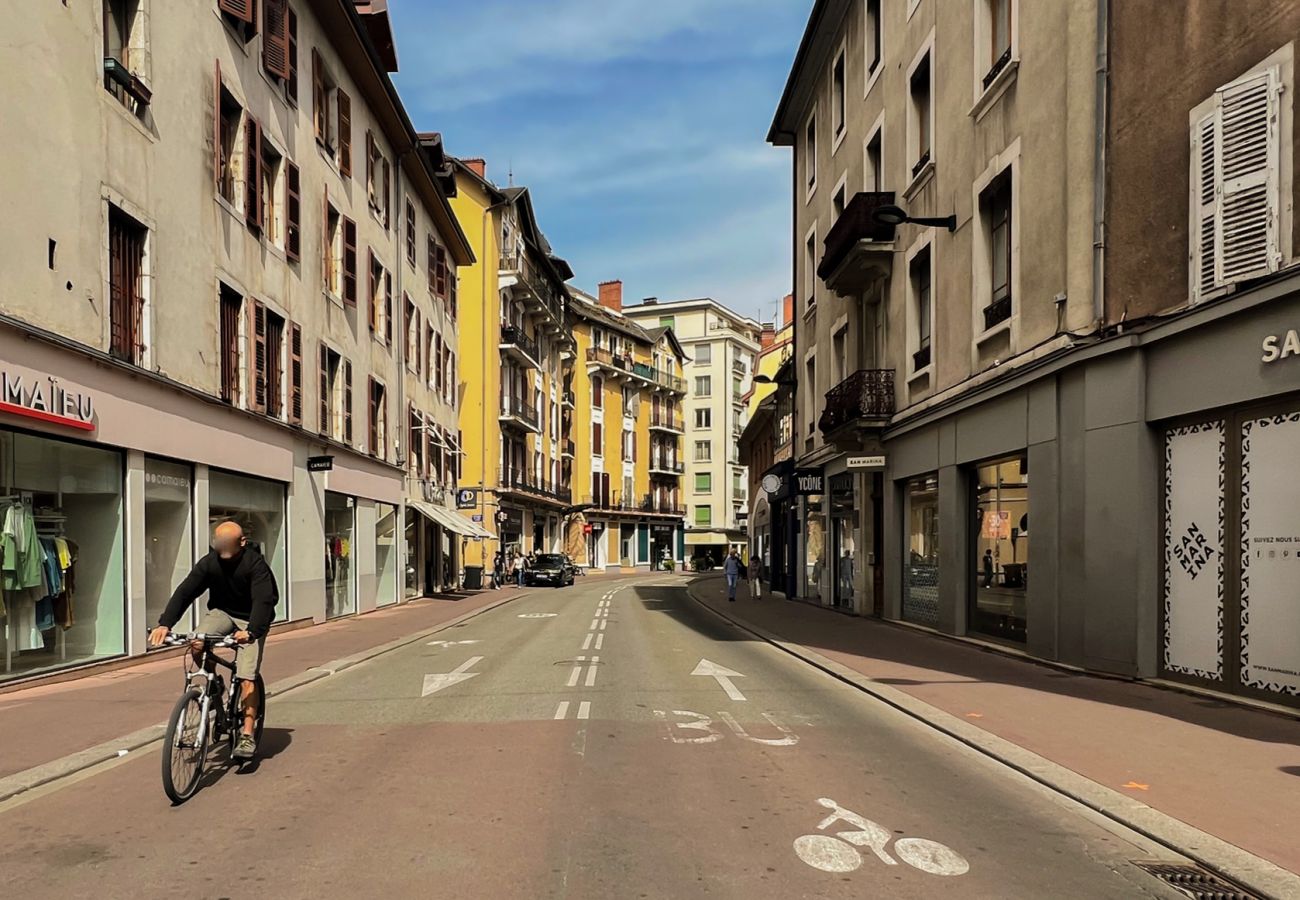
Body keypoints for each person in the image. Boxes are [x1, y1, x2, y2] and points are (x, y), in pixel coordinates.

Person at [148, 521, 279, 761]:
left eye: (229, 543)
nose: (223, 548)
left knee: (246, 676)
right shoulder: (209, 563)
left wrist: (251, 632)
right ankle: (214, 683)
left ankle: (247, 734)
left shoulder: (255, 565)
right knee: (197, 642)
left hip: (251, 618)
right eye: (220, 543)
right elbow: (185, 591)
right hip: (223, 613)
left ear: (242, 542)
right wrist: (165, 623)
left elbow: (264, 601)